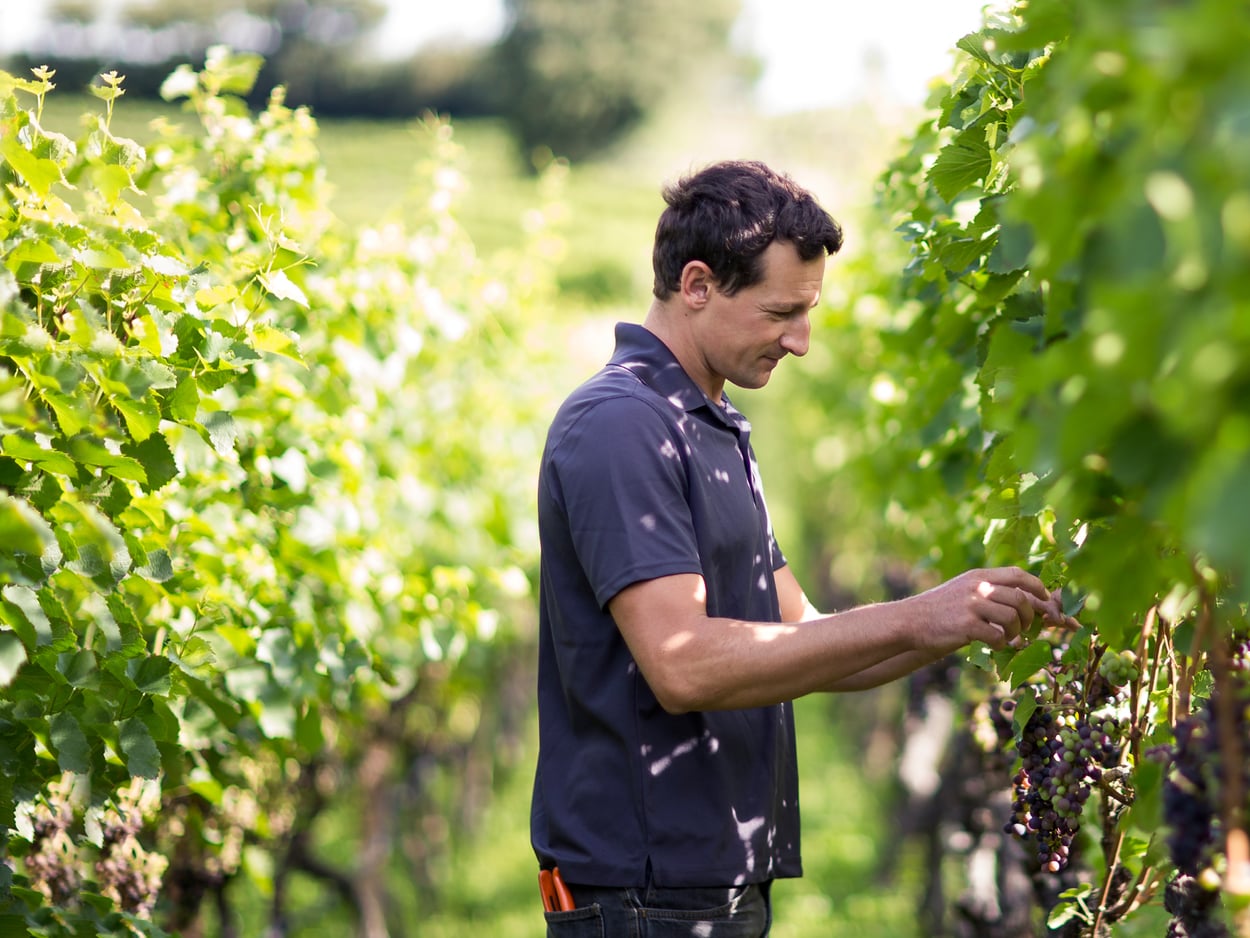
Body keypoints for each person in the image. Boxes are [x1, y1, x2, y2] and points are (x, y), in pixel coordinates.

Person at [530, 159, 1068, 937]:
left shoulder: (708, 425)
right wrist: (920, 618)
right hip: (643, 893)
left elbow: (807, 635)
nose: (802, 340)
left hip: (706, 883)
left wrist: (963, 617)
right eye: (783, 311)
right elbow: (682, 663)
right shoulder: (621, 426)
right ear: (697, 284)